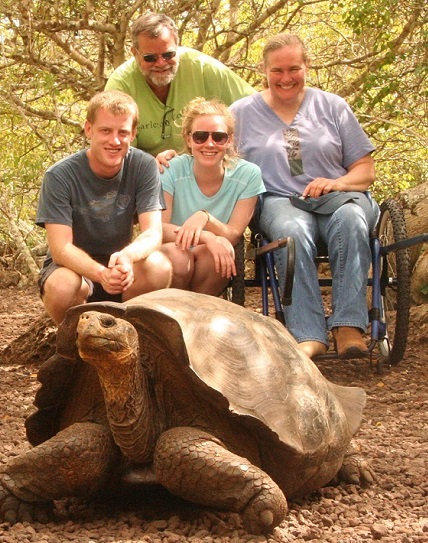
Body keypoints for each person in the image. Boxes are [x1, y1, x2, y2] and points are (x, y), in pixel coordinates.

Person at [230, 33, 379, 360]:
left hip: (338, 198)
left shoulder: (333, 107)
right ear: (264, 70)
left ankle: (348, 326)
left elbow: (365, 170)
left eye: (294, 69)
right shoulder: (240, 113)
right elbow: (213, 158)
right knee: (291, 233)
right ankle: (309, 333)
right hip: (278, 199)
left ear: (307, 66)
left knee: (353, 220)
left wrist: (336, 183)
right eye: (277, 71)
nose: (286, 78)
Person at [36, 90, 172, 325]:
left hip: (120, 266)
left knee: (159, 267)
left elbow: (153, 233)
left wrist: (128, 257)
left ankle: (133, 336)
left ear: (134, 134)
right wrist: (100, 274)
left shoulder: (143, 166)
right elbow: (61, 248)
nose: (115, 141)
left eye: (123, 132)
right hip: (74, 270)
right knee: (62, 286)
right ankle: (73, 346)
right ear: (89, 129)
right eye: (106, 131)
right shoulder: (60, 175)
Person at [104, 12, 255, 156]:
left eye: (168, 55)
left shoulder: (202, 67)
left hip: (205, 167)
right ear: (135, 53)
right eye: (150, 58)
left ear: (178, 46)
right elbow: (116, 149)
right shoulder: (121, 85)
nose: (161, 63)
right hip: (148, 173)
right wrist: (150, 166)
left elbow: (254, 106)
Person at [159, 97, 265, 295]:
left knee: (219, 251)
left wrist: (205, 217)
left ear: (229, 140)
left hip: (213, 257)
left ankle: (200, 316)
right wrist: (207, 236)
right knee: (180, 256)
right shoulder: (171, 169)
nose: (209, 144)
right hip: (173, 253)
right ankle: (175, 315)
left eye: (218, 137)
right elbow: (159, 229)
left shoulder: (248, 175)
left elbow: (233, 233)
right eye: (200, 136)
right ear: (189, 139)